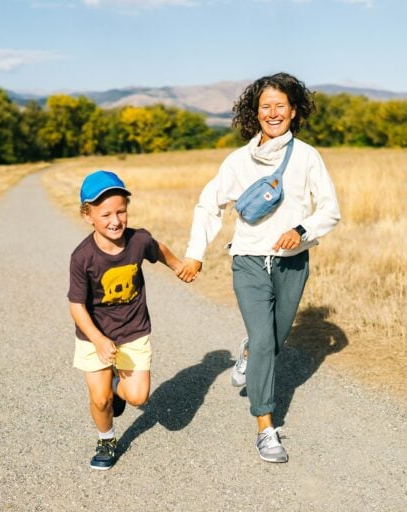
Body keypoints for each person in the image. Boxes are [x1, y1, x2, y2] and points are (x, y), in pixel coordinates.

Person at [178, 72, 341, 463]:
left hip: (292, 264)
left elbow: (331, 211)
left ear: (293, 111)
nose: (273, 113)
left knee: (273, 340)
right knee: (268, 341)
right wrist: (196, 251)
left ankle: (250, 350)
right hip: (248, 261)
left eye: (280, 106)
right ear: (255, 113)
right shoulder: (237, 161)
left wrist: (301, 230)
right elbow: (208, 205)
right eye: (265, 106)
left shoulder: (307, 157)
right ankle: (266, 428)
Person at [68, 170, 185, 470]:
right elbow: (76, 306)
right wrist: (97, 338)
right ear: (88, 216)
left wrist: (178, 267)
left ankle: (117, 382)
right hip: (94, 335)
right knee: (101, 399)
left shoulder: (138, 241)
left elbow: (158, 250)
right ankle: (106, 438)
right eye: (105, 214)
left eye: (121, 211)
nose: (115, 220)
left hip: (133, 330)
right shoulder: (82, 257)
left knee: (137, 396)